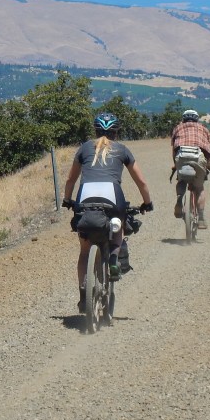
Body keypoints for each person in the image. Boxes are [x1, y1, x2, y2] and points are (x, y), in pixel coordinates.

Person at [62, 112, 153, 313]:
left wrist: (67, 200)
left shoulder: (84, 148)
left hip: (85, 198)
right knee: (119, 222)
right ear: (116, 132)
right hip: (112, 196)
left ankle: (83, 293)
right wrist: (147, 203)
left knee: (84, 251)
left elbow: (70, 180)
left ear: (95, 130)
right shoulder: (122, 150)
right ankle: (113, 258)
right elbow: (142, 182)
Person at [170, 109, 210, 228]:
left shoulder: (178, 127)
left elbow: (174, 148)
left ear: (183, 119)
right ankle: (202, 219)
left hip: (182, 156)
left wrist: (175, 164)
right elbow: (208, 148)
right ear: (197, 119)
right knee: (199, 188)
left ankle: (179, 200)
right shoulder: (204, 128)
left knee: (181, 180)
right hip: (198, 156)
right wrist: (208, 165)